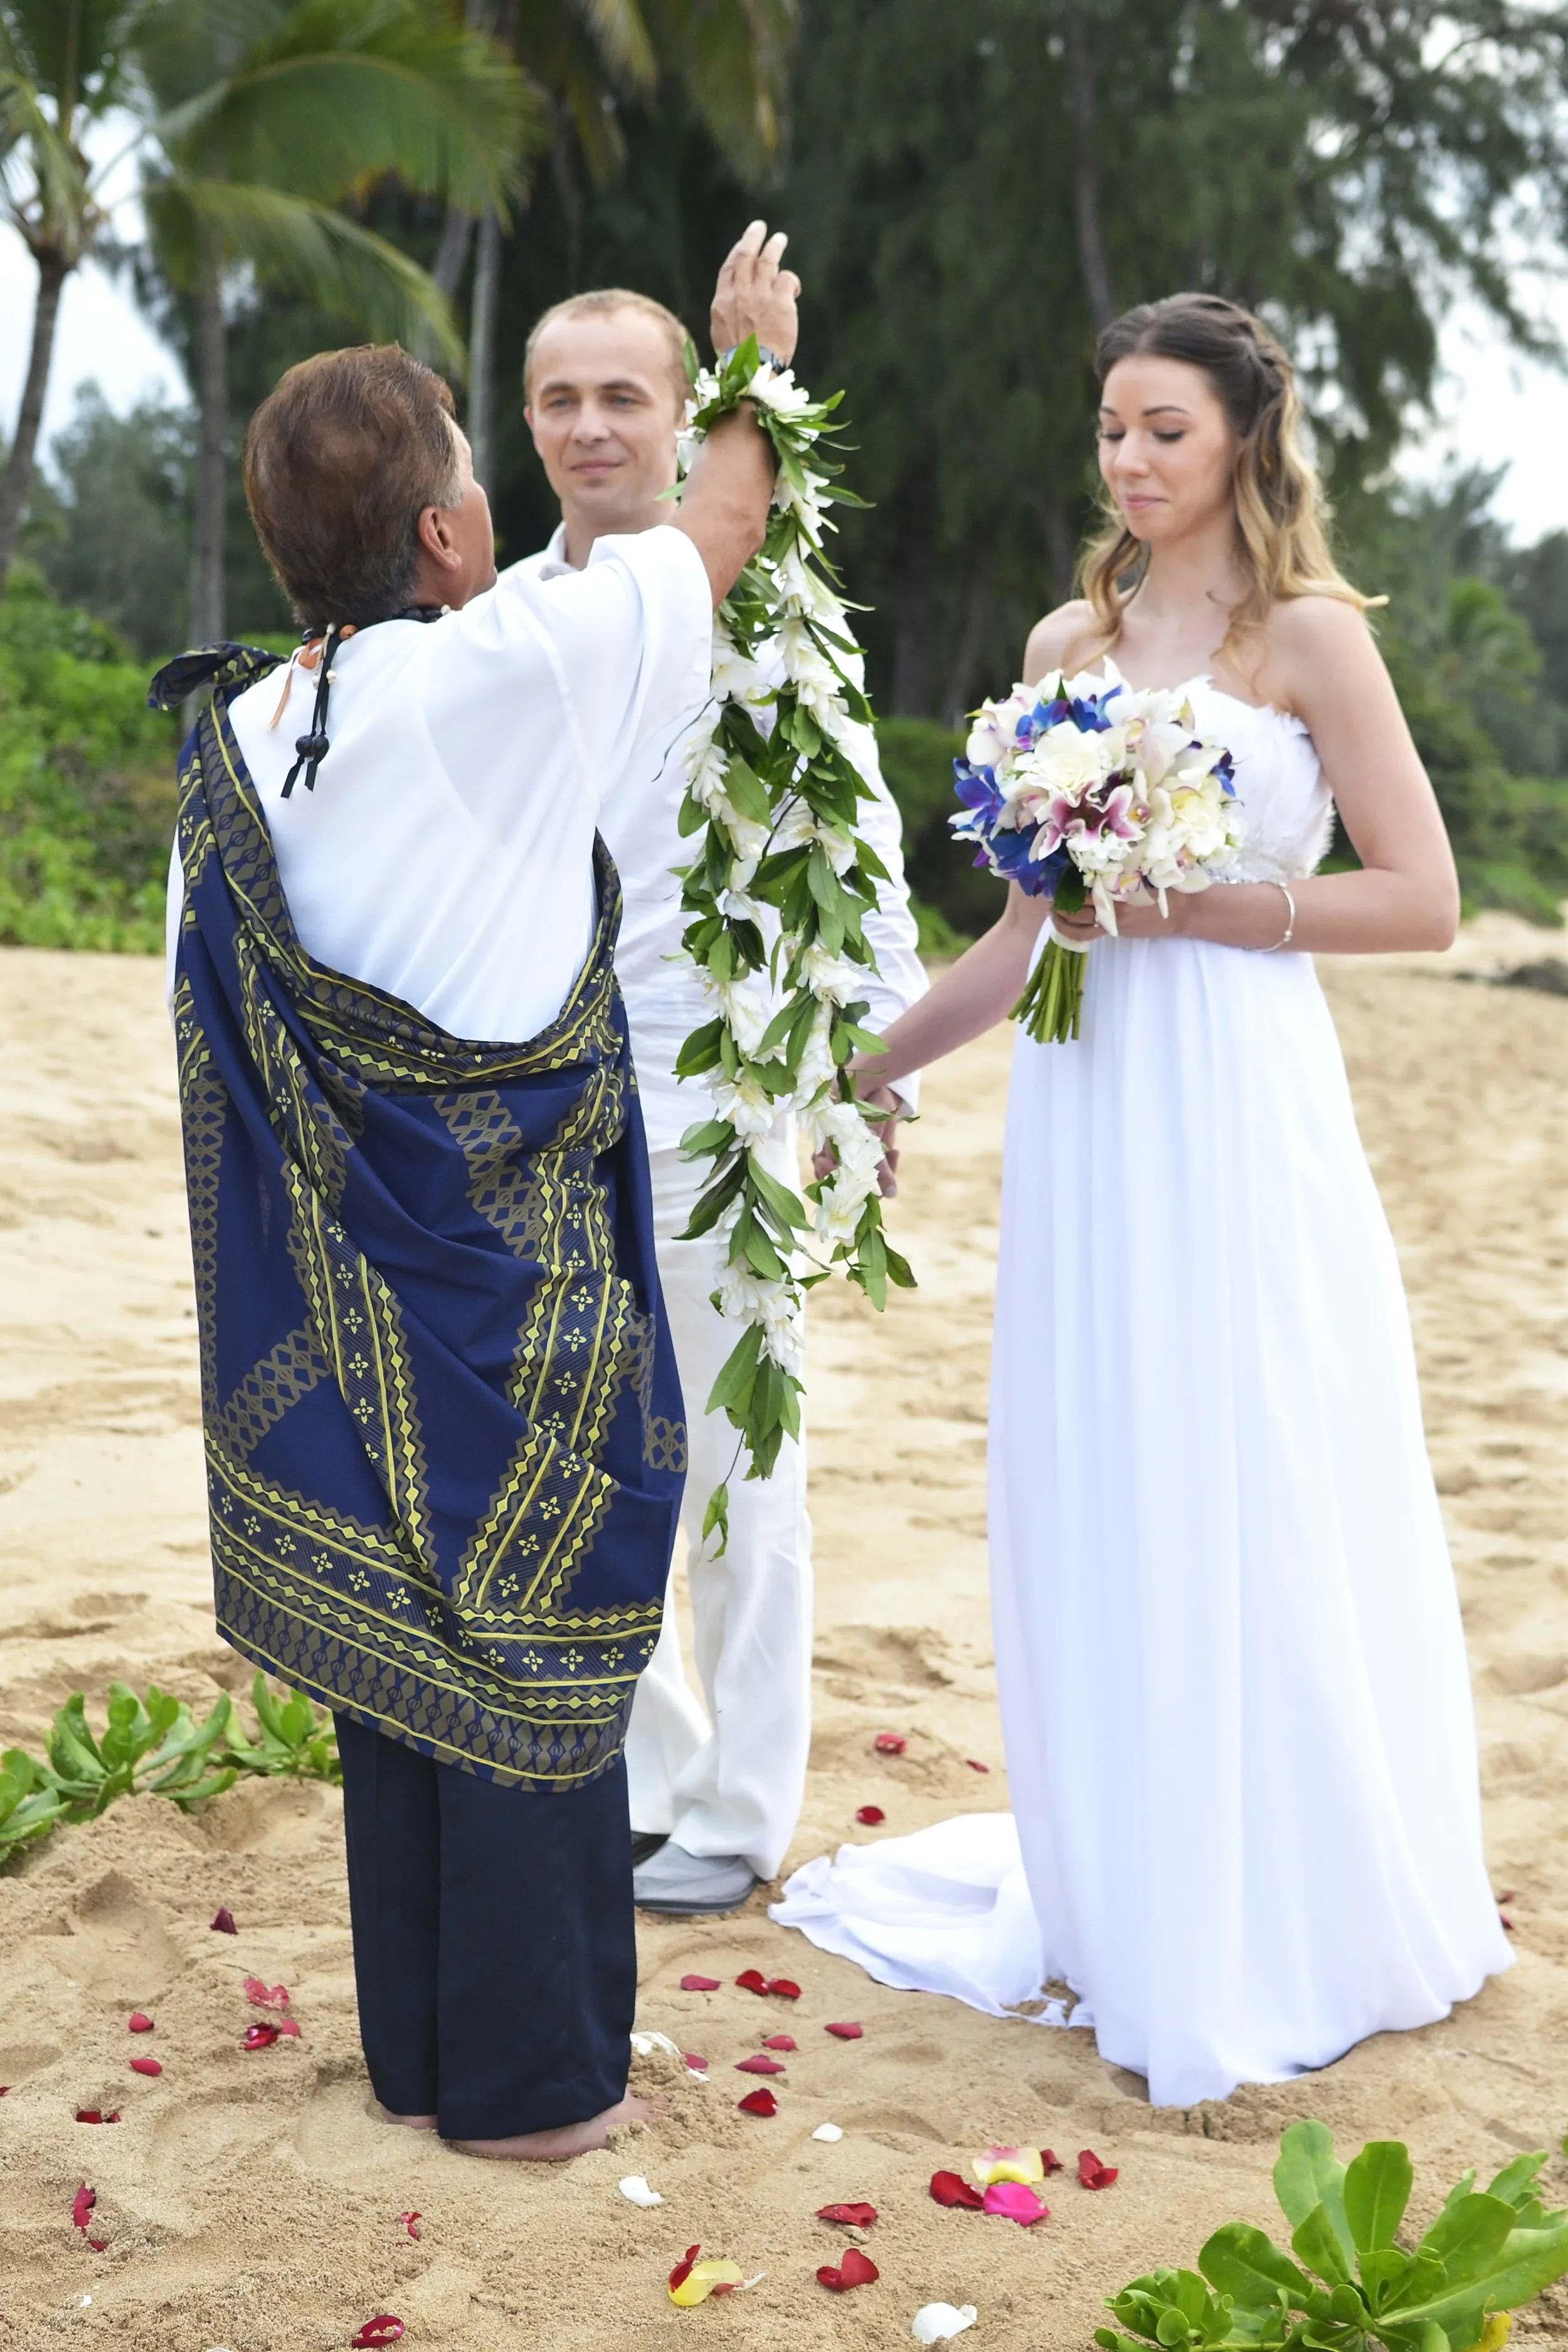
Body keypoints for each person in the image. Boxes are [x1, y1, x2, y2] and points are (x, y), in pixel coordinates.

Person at [773, 291, 1512, 2109]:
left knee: (1254, 1441)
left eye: (1162, 427)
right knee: (1110, 1455)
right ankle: (1132, 1879)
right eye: (1110, 426)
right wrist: (871, 1066)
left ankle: (1286, 1892)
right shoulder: (1064, 641)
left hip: (1244, 1092)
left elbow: (1418, 897)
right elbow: (1020, 932)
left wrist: (1210, 903)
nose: (1128, 457)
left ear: (1244, 438)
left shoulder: (1310, 643)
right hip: (1095, 1100)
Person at [153, 224, 801, 2156]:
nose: (495, 487)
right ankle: (524, 2089)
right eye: (473, 455)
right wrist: (754, 363)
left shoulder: (254, 735)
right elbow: (717, 531)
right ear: (445, 535)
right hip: (504, 1276)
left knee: (408, 1663)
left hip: (339, 1293)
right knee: (529, 1640)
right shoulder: (502, 671)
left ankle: (426, 2050)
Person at [512, 289, 927, 1915]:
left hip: (721, 1092)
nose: (590, 424)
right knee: (578, 1457)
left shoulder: (760, 612)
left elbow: (858, 849)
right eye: (558, 396)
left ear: (684, 414)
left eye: (623, 392)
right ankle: (645, 1774)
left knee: (739, 1469)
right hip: (538, 1097)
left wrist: (872, 1062)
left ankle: (745, 1811)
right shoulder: (513, 612)